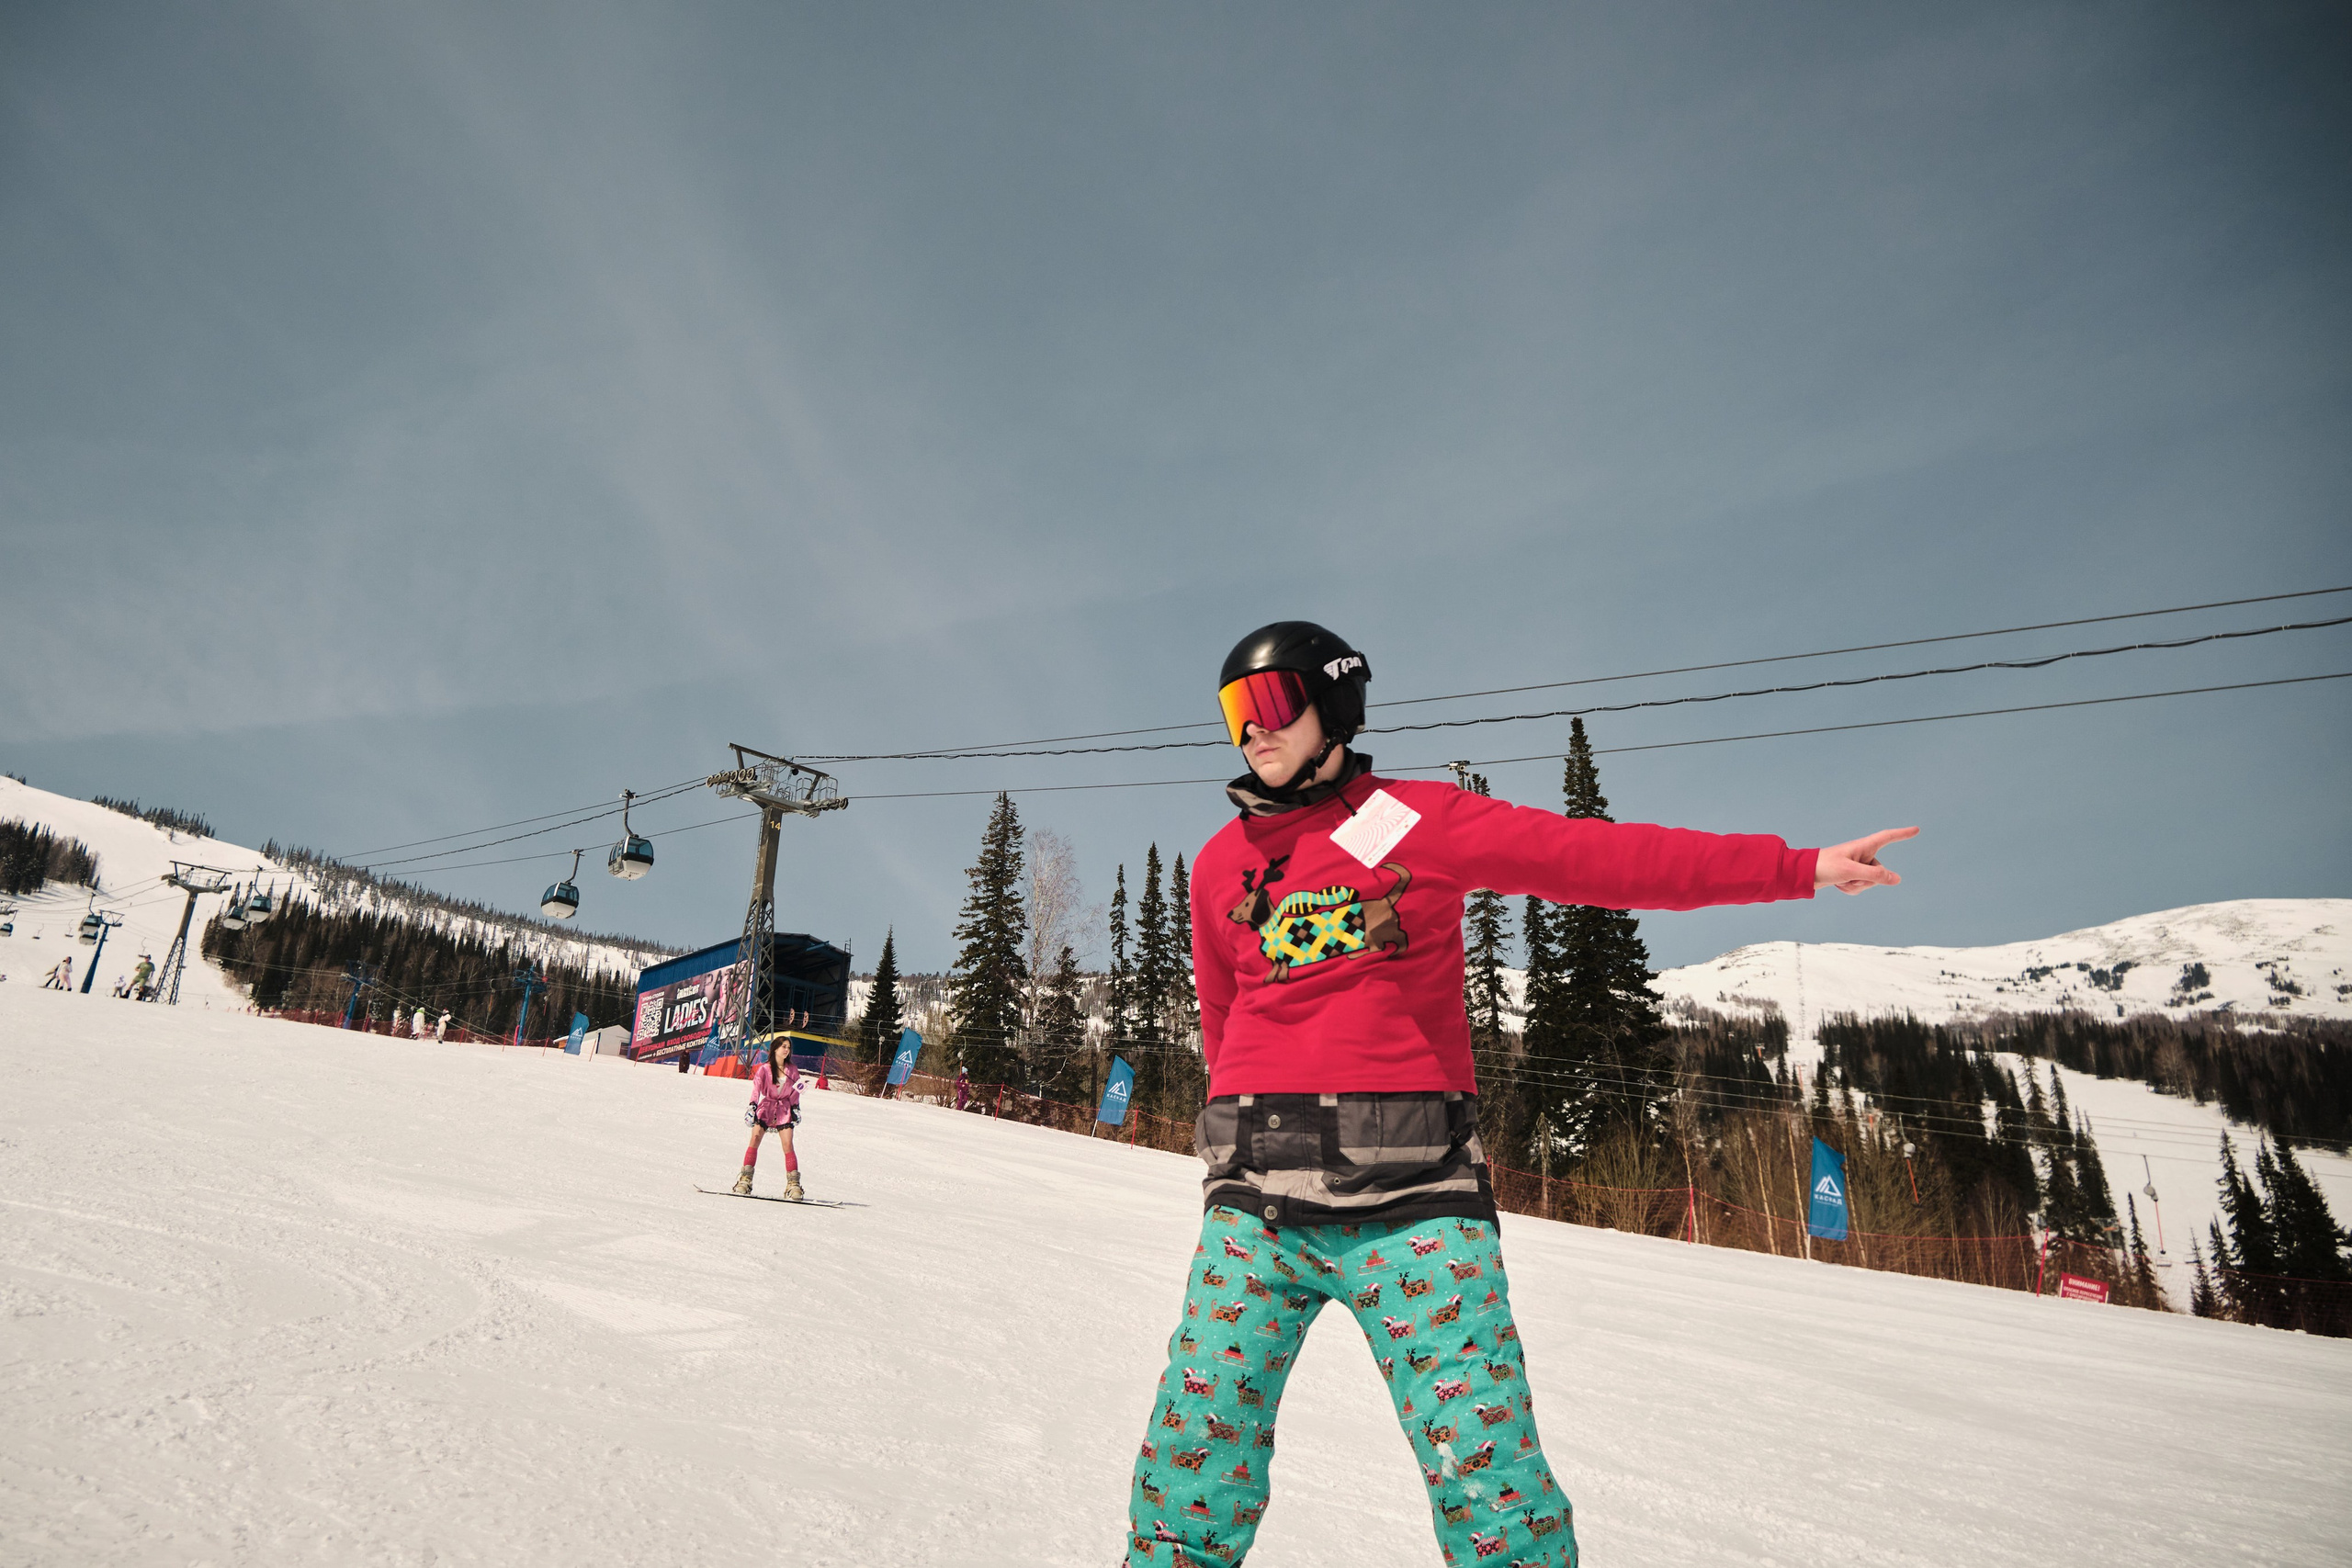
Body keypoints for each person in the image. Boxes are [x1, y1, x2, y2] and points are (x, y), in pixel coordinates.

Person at [1123, 621, 1916, 1568]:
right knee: (1191, 1455)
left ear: (1331, 704)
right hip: (1256, 1212)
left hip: (1414, 1203)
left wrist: (1794, 868)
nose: (1249, 731)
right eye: (1230, 713)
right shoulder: (1220, 865)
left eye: (1267, 705)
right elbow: (1224, 1013)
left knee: (1489, 1475)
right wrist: (1231, 1142)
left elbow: (1596, 860)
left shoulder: (1415, 821)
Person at [733, 1040, 807, 1200]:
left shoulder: (792, 1070)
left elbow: (796, 1092)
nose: (786, 1050)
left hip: (785, 1109)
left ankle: (793, 1185)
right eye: (783, 1047)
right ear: (775, 1049)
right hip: (766, 1107)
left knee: (788, 1144)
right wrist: (752, 1106)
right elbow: (756, 1088)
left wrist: (795, 1109)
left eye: (789, 1047)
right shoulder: (764, 1069)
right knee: (755, 1138)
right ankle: (745, 1180)